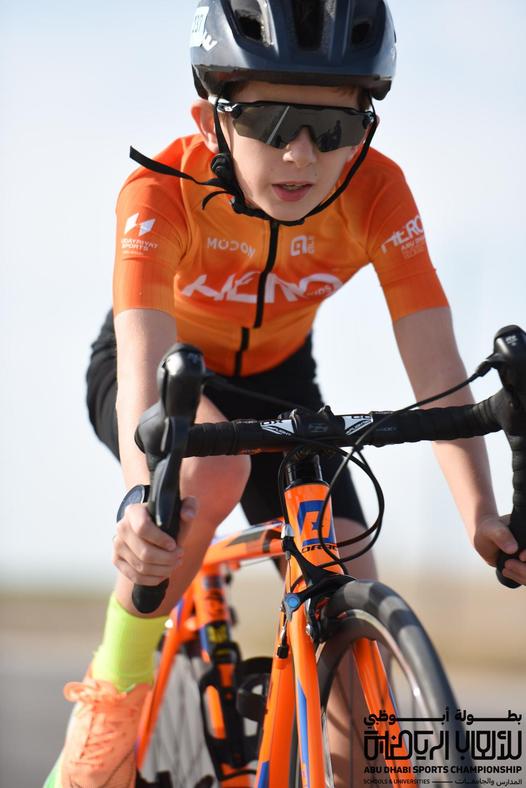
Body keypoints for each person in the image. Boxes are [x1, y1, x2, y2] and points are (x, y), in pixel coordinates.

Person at [45, 1, 526, 786]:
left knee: (346, 564)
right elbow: (144, 366)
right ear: (211, 120)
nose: (301, 153)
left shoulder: (380, 193)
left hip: (280, 379)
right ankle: (113, 695)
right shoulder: (158, 191)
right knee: (208, 473)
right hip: (163, 370)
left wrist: (479, 511)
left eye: (332, 128)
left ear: (364, 130)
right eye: (270, 121)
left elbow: (437, 368)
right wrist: (141, 498)